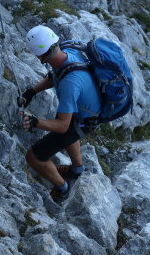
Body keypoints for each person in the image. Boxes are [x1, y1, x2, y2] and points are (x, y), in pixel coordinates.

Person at [19, 25, 101, 204]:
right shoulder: (68, 51)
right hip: (86, 111)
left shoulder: (69, 85)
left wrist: (35, 122)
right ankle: (77, 169)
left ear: (40, 56)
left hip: (82, 120)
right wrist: (32, 91)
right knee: (67, 127)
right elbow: (56, 74)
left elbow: (63, 126)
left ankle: (62, 188)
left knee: (34, 157)